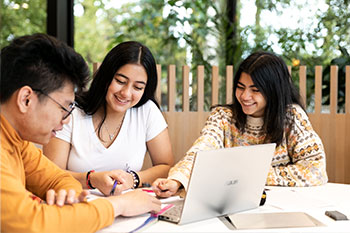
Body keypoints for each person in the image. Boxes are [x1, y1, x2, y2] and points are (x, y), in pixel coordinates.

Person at [0, 33, 161, 232]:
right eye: (64, 107)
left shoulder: (17, 142)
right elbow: (31, 223)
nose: (67, 119)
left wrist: (68, 195)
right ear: (26, 99)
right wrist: (120, 205)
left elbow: (57, 178)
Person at [153, 51, 328, 198]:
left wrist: (245, 175)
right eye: (240, 87)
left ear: (274, 91)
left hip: (283, 204)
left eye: (255, 90)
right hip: (231, 202)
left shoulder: (292, 117)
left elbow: (315, 171)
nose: (245, 96)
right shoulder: (222, 117)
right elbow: (200, 151)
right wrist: (177, 180)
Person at [42, 41, 174, 196]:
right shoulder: (71, 112)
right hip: (78, 207)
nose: (126, 93)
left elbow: (166, 166)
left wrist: (133, 179)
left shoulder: (147, 111)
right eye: (120, 81)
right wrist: (91, 179)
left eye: (137, 87)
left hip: (129, 209)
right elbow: (50, 176)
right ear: (106, 77)